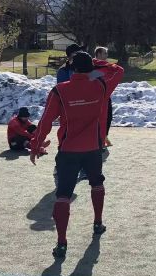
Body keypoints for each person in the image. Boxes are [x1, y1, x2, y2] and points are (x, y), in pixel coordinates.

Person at [31, 51, 124, 259]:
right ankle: (98, 222)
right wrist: (93, 63)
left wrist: (36, 144)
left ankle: (62, 242)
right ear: (91, 68)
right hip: (93, 148)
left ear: (71, 69)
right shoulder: (100, 86)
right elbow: (117, 70)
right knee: (96, 183)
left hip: (68, 150)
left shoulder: (59, 91)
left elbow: (46, 121)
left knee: (63, 194)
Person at [94, 46, 114, 147]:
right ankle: (99, 138)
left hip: (106, 95)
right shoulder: (93, 66)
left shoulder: (106, 67)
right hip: (96, 97)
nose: (106, 55)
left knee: (109, 117)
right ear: (98, 54)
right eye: (104, 53)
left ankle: (104, 135)